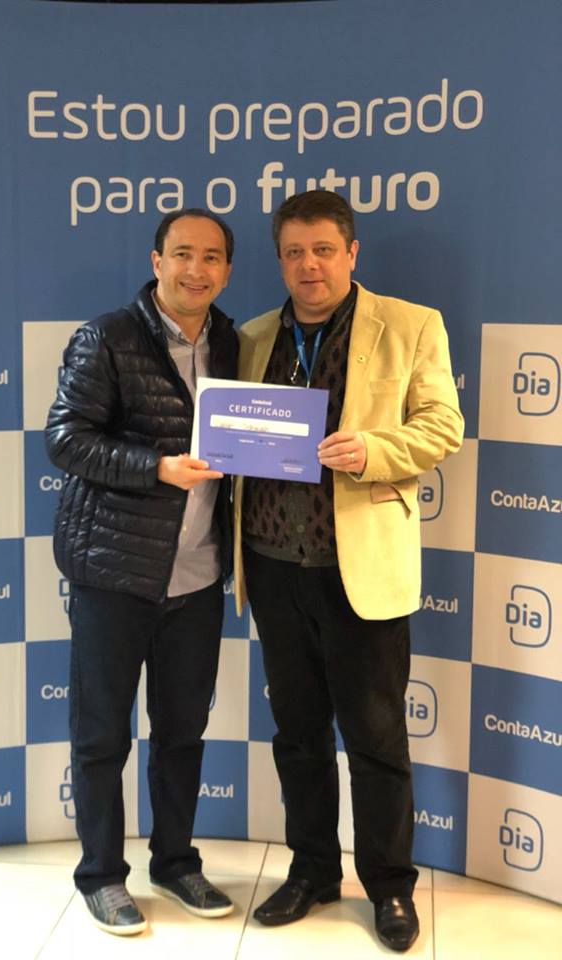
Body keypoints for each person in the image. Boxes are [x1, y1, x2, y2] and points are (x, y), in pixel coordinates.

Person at [233, 190, 463, 951]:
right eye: (295, 252)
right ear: (280, 261)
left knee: (376, 738)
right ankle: (311, 871)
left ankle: (390, 887)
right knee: (298, 736)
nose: (310, 265)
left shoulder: (410, 325)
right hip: (273, 567)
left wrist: (373, 451)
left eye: (324, 250)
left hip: (356, 570)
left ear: (352, 252)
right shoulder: (254, 336)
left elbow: (443, 426)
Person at [46, 209, 238, 936]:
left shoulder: (236, 343)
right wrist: (155, 467)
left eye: (212, 257)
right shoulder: (107, 336)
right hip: (115, 572)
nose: (196, 269)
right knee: (102, 735)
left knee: (183, 731)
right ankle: (101, 875)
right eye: (182, 254)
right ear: (157, 262)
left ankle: (175, 862)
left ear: (227, 271)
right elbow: (65, 438)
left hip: (199, 576)